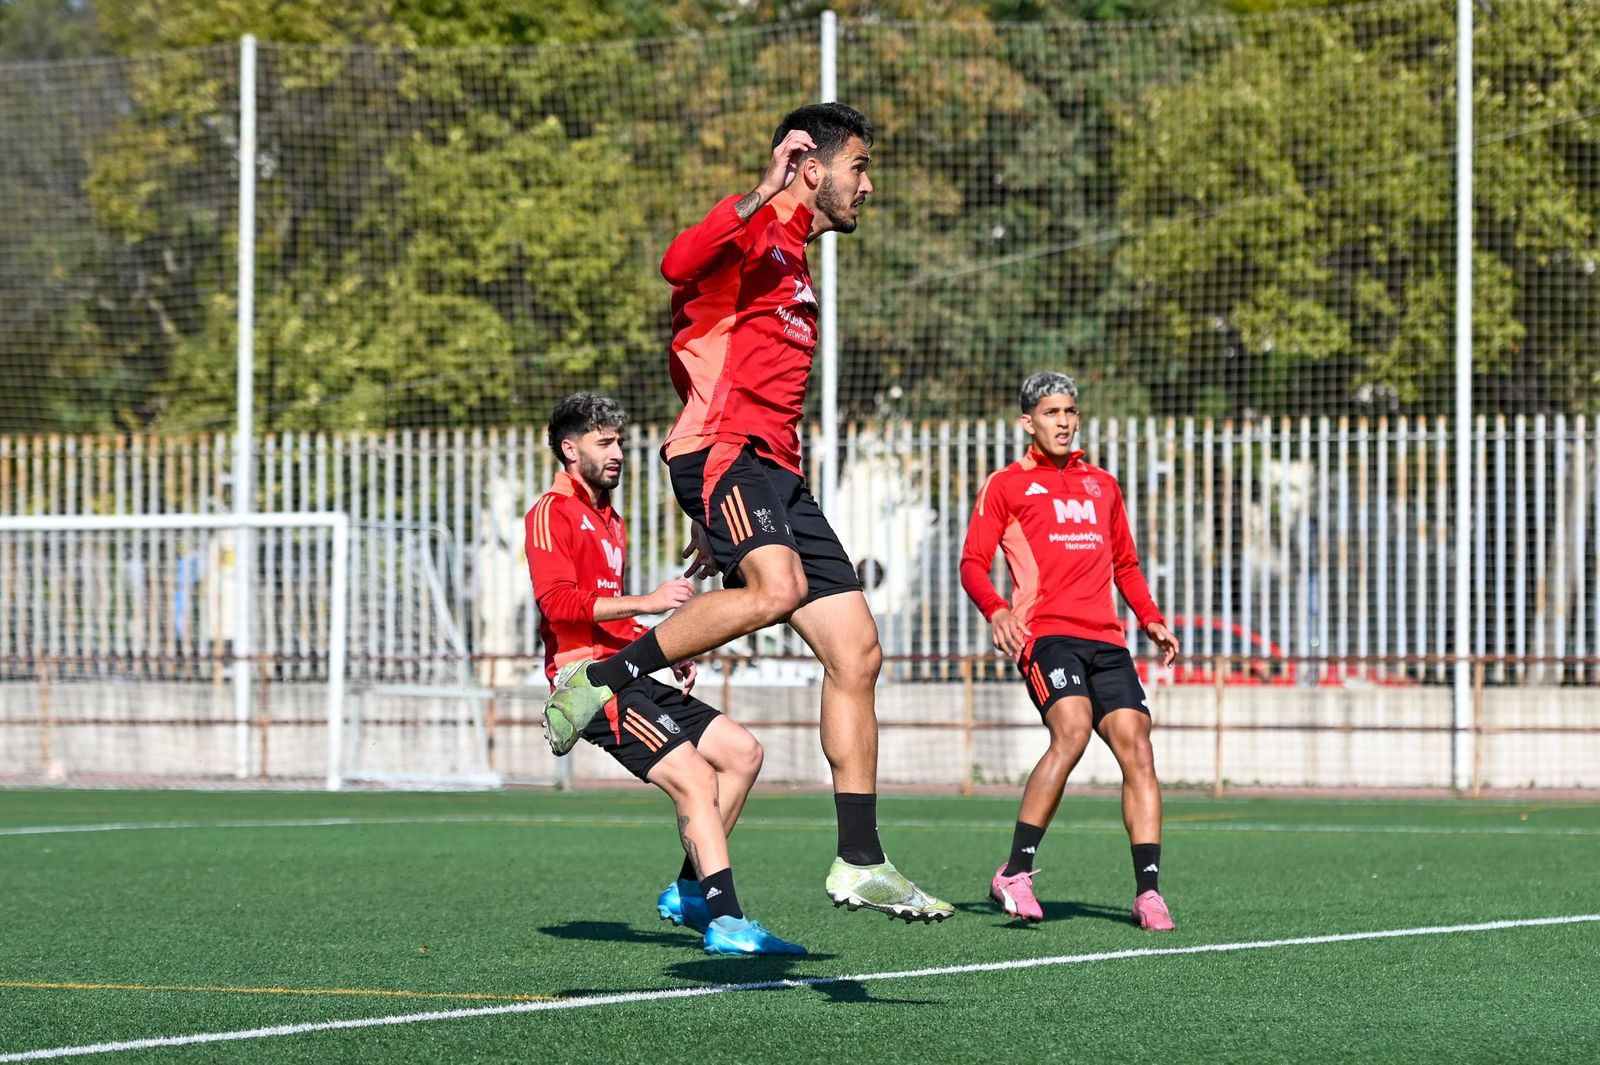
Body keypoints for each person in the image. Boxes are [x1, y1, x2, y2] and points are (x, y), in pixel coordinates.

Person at [541, 103, 952, 923]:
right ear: (810, 165)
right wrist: (762, 189)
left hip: (773, 473)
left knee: (858, 652)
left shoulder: (796, 257)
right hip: (724, 454)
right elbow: (675, 261)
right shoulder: (756, 232)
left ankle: (860, 858)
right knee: (777, 586)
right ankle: (601, 679)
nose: (867, 184)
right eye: (859, 167)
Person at [526, 392, 804, 956]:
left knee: (742, 752)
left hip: (628, 671)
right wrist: (648, 603)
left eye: (620, 443)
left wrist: (663, 649)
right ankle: (726, 922)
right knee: (697, 781)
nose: (617, 453)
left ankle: (687, 891)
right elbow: (558, 604)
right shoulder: (550, 513)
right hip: (591, 684)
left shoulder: (610, 519)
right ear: (568, 448)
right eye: (604, 443)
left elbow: (605, 614)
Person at [959, 372, 1182, 931]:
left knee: (1138, 747)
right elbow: (972, 562)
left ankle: (1149, 893)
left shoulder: (1102, 485)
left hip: (1106, 639)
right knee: (1074, 729)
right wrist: (997, 610)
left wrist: (1150, 619)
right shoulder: (1006, 485)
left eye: (1070, 411)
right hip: (1047, 635)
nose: (1063, 421)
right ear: (1027, 423)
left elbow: (1125, 565)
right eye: (1052, 412)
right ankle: (1016, 871)